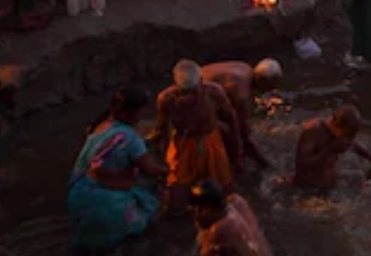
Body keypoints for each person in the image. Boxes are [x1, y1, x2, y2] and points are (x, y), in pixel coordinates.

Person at [67, 86, 166, 253]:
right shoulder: (130, 138)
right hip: (104, 203)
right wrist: (168, 170)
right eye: (141, 111)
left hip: (78, 195)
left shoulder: (100, 125)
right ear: (131, 113)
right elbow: (151, 170)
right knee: (151, 210)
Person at [152, 59, 240, 214]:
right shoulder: (167, 99)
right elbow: (161, 130)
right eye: (185, 92)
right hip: (183, 144)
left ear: (201, 81)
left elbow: (231, 119)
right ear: (176, 86)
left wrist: (236, 149)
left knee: (225, 195)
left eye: (194, 91)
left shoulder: (214, 92)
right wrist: (160, 159)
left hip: (211, 143)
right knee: (175, 202)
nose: (189, 97)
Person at [292, 105, 371, 191]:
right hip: (310, 188)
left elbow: (351, 144)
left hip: (329, 183)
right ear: (337, 127)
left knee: (367, 183)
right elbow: (303, 164)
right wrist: (329, 149)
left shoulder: (339, 135)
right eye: (349, 136)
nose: (349, 140)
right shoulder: (313, 130)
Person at [201, 60, 283, 171]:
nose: (273, 89)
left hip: (192, 81)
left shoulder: (245, 67)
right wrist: (263, 162)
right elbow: (241, 131)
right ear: (263, 81)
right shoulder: (241, 94)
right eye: (272, 85)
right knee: (228, 132)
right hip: (192, 98)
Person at [190, 179, 275, 256]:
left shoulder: (221, 230)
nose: (196, 214)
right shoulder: (237, 201)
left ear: (205, 209)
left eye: (198, 210)